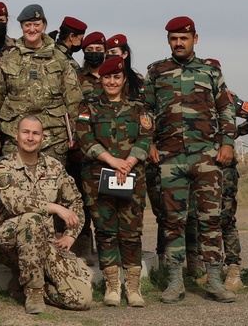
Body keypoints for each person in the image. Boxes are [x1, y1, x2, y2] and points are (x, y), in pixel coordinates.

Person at [144, 16, 237, 304]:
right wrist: (148, 143)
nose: (178, 43)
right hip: (171, 157)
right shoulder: (157, 72)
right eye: (173, 38)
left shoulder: (210, 71)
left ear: (195, 39)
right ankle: (175, 282)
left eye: (183, 38)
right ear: (168, 41)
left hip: (206, 155)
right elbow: (145, 111)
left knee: (210, 219)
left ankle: (213, 280)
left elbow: (226, 109)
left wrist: (228, 143)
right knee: (174, 221)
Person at [0, 114, 93, 314]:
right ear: (16, 135)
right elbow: (15, 203)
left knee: (81, 300)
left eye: (35, 133)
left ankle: (21, 286)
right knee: (31, 219)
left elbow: (76, 202)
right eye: (26, 132)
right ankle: (33, 292)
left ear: (42, 138)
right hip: (9, 240)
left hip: (45, 243)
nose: (30, 137)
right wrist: (54, 207)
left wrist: (71, 234)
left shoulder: (54, 166)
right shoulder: (3, 166)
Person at [76, 56, 151, 307]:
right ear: (101, 78)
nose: (111, 81)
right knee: (106, 232)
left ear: (123, 79)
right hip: (99, 177)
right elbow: (85, 138)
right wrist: (112, 161)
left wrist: (128, 163)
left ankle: (133, 287)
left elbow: (145, 138)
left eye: (116, 77)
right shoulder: (88, 107)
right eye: (107, 77)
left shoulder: (138, 108)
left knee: (131, 234)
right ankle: (112, 286)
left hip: (131, 177)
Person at [184, 57, 248, 290]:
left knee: (225, 219)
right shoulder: (192, 99)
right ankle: (212, 267)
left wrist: (233, 135)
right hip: (200, 166)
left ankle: (233, 271)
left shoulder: (230, 98)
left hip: (223, 168)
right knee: (202, 218)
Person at [0, 4, 84, 165]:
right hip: (15, 136)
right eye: (27, 25)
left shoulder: (60, 59)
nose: (32, 29)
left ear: (44, 25)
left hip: (53, 138)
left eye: (36, 25)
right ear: (21, 26)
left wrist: (75, 134)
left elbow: (74, 99)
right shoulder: (9, 59)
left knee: (50, 187)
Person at [78, 32, 107, 101]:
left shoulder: (113, 77)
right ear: (84, 53)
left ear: (105, 53)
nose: (94, 53)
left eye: (98, 50)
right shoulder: (76, 76)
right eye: (89, 50)